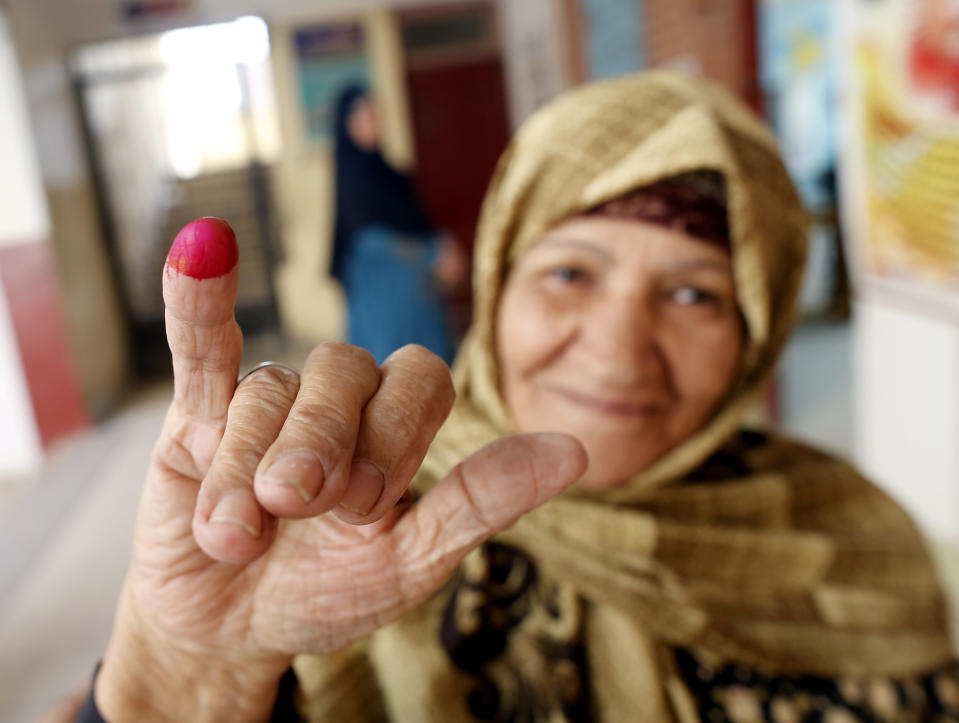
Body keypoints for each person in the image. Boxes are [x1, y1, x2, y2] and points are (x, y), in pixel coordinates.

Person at [70, 72, 958, 722]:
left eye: (694, 293)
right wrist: (189, 675)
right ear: (495, 289)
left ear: (755, 337)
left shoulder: (852, 541)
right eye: (570, 272)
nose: (615, 348)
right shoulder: (350, 532)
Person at [330, 85, 464, 365]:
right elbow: (367, 239)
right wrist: (429, 254)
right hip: (383, 293)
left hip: (417, 289)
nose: (373, 121)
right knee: (395, 372)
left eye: (374, 113)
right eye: (364, 116)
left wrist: (442, 246)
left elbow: (418, 222)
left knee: (429, 369)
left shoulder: (389, 172)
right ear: (347, 125)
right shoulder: (353, 178)